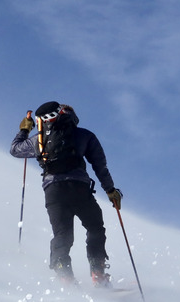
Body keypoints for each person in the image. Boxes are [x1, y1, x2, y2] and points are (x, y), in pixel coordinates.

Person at [10, 101, 123, 286]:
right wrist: (110, 191)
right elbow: (100, 167)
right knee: (95, 228)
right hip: (79, 189)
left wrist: (24, 129)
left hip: (53, 191)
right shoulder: (84, 135)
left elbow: (15, 150)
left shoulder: (40, 140)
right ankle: (98, 273)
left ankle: (64, 275)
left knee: (62, 234)